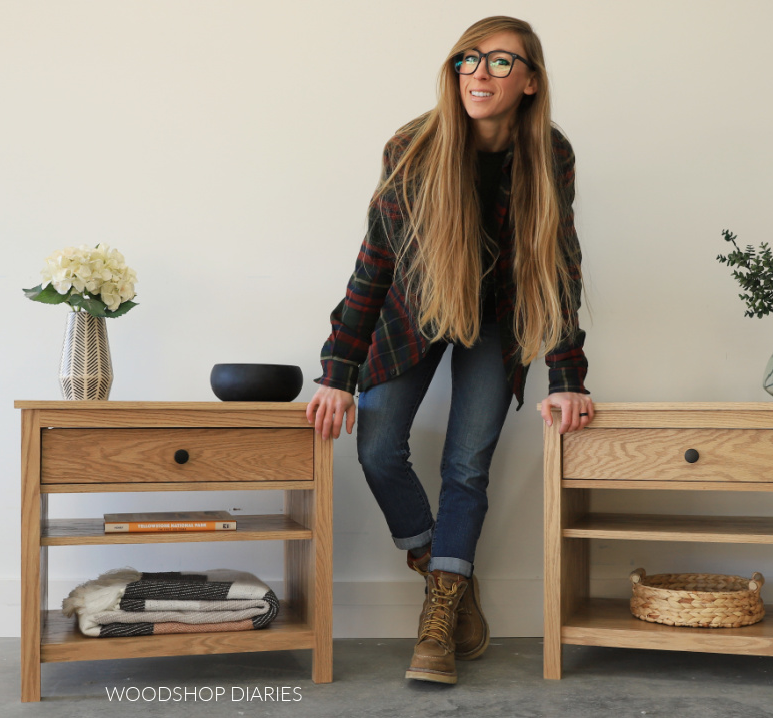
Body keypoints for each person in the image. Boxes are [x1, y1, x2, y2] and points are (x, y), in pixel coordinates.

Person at [306, 15, 594, 685]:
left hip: (500, 320)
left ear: (529, 80)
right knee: (377, 449)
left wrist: (566, 375)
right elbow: (374, 264)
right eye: (468, 59)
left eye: (499, 62)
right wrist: (336, 373)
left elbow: (559, 266)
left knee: (466, 468)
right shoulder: (412, 145)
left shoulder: (551, 153)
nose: (479, 73)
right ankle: (447, 568)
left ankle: (439, 617)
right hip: (418, 309)